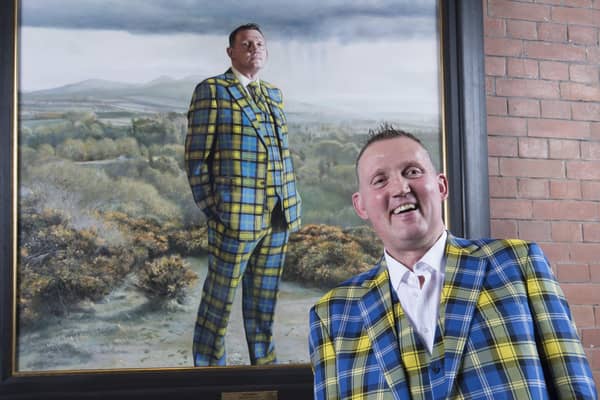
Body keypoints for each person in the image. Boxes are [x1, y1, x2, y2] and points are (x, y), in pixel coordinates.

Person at [308, 126, 596, 399]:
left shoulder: (519, 264)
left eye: (412, 171)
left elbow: (575, 389)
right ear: (361, 205)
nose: (400, 187)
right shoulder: (332, 314)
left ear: (441, 185)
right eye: (380, 180)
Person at [185, 23, 301, 366]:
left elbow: (280, 154)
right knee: (217, 304)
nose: (254, 49)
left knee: (263, 304)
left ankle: (265, 370)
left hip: (279, 216)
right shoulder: (212, 90)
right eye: (246, 44)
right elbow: (195, 159)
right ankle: (207, 374)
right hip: (234, 217)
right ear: (231, 52)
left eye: (260, 43)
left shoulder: (275, 94)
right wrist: (214, 209)